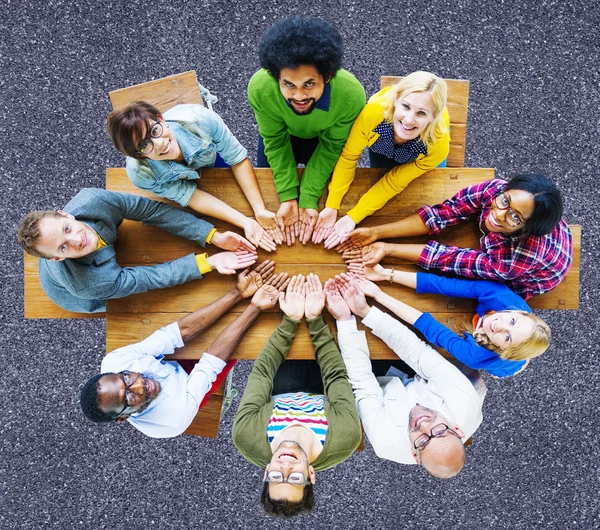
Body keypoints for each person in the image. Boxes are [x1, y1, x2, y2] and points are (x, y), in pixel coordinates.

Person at [79, 263, 288, 438]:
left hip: (169, 364)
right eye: (129, 398)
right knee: (242, 343)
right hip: (186, 389)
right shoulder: (173, 420)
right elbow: (211, 362)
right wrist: (255, 306)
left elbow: (178, 333)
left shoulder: (114, 362)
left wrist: (238, 293)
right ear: (123, 417)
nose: (139, 385)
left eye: (126, 378)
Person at [326, 275, 486, 478]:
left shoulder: (385, 443)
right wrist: (364, 311)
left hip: (386, 385)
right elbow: (417, 352)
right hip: (440, 375)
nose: (424, 425)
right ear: (456, 428)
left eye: (422, 441)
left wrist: (345, 319)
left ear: (414, 454)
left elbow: (363, 383)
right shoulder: (465, 401)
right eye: (438, 431)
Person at [232, 274, 361, 518]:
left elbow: (261, 373)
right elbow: (336, 377)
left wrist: (290, 321)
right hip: (323, 387)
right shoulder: (346, 438)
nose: (286, 467)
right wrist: (314, 319)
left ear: (266, 471)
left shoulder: (246, 437)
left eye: (277, 476)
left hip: (280, 387)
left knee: (272, 320)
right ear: (311, 475)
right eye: (296, 477)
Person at [18, 188, 258, 313]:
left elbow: (150, 211)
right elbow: (149, 279)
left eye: (67, 228)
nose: (77, 239)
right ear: (58, 257)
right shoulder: (87, 285)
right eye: (63, 246)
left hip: (96, 269)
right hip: (76, 293)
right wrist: (211, 262)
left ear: (65, 214)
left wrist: (211, 235)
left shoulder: (92, 200)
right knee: (122, 306)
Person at [340, 174, 572, 299]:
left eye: (514, 217)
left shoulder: (513, 260)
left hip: (533, 276)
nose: (499, 215)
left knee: (483, 293)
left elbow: (451, 260)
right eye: (504, 202)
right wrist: (375, 232)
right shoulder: (496, 189)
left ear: (526, 228)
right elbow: (443, 213)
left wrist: (388, 248)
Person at [249, 15, 366, 245]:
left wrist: (308, 198)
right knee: (272, 197)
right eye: (289, 84)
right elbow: (274, 139)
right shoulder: (260, 89)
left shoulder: (351, 95)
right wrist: (289, 196)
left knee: (321, 199)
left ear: (328, 76)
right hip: (282, 138)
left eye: (309, 84)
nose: (299, 96)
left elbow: (332, 146)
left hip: (322, 141)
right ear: (276, 78)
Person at [107, 101, 280, 250]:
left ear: (161, 119)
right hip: (180, 180)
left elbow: (237, 160)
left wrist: (259, 210)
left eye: (154, 131)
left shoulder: (202, 120)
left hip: (211, 160)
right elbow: (191, 196)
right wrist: (245, 222)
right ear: (139, 155)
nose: (159, 144)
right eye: (145, 145)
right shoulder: (141, 175)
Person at [313, 71, 450, 247]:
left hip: (420, 159)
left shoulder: (437, 146)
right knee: (377, 177)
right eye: (406, 107)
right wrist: (332, 205)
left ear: (434, 116)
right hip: (382, 146)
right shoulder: (373, 114)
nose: (409, 120)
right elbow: (349, 157)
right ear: (395, 101)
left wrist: (354, 216)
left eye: (421, 113)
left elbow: (394, 182)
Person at [347, 264, 550, 378]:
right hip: (509, 341)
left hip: (505, 365)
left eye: (507, 337)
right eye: (512, 321)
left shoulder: (476, 356)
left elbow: (429, 327)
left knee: (514, 366)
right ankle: (522, 350)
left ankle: (522, 360)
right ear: (521, 313)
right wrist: (386, 274)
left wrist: (378, 295)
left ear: (504, 349)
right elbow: (444, 285)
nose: (501, 326)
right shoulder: (503, 298)